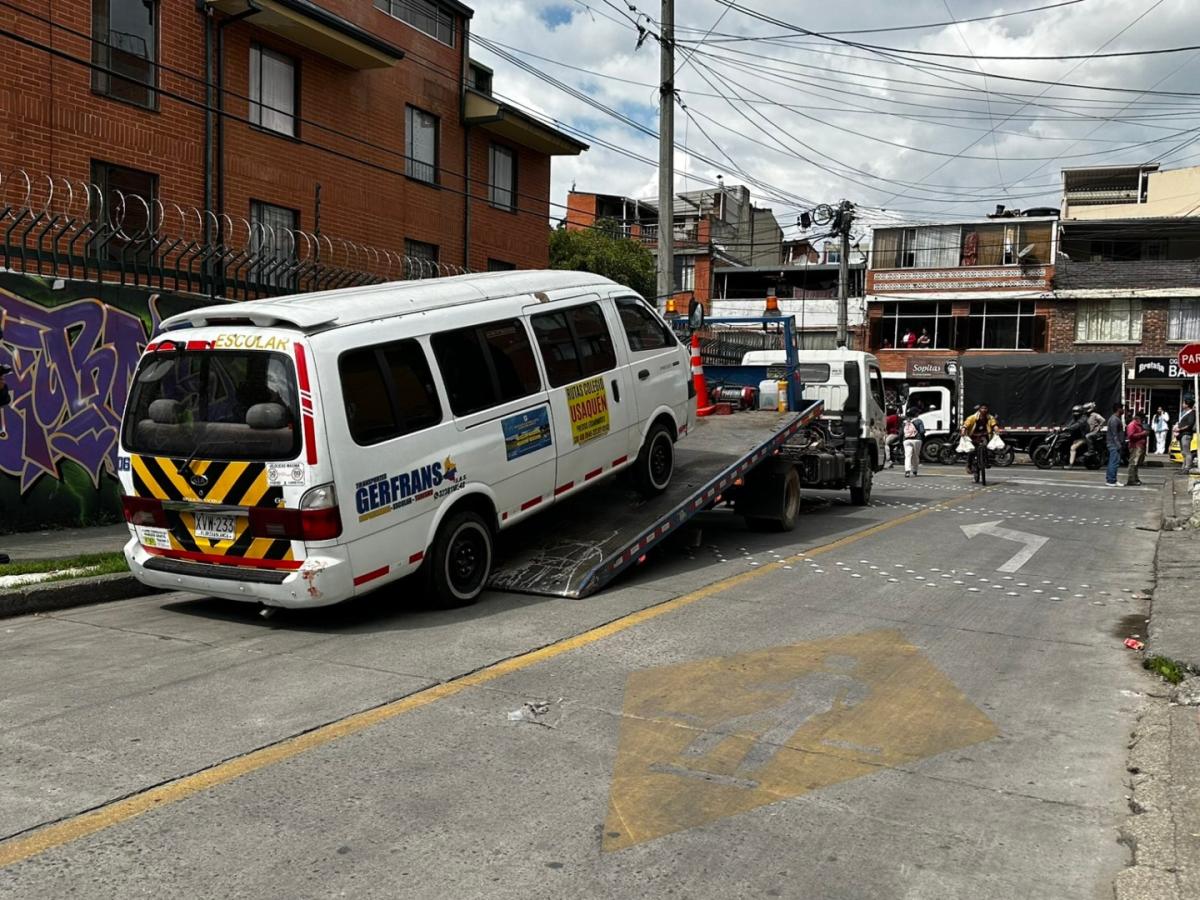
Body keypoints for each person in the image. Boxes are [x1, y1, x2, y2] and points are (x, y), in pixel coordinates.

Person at [961, 403, 998, 483]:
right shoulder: (972, 418)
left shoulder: (990, 417)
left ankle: (986, 462)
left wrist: (996, 429)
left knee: (987, 447)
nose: (984, 410)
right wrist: (963, 430)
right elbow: (965, 425)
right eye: (982, 408)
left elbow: (994, 425)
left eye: (985, 408)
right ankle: (969, 465)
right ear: (979, 409)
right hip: (973, 437)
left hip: (983, 436)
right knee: (971, 451)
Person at [1071, 402, 1105, 467]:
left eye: (1087, 409)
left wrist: (1099, 427)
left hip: (1095, 432)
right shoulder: (1085, 416)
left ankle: (1091, 451)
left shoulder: (1094, 414)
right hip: (1089, 432)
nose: (1085, 410)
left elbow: (1103, 420)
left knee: (1087, 436)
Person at [1105, 402, 1126, 486]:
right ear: (1118, 409)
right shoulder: (1114, 419)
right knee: (1114, 462)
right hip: (1114, 444)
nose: (1123, 410)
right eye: (1122, 408)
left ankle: (1112, 479)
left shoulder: (1116, 418)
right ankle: (1111, 480)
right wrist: (1119, 445)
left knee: (1113, 462)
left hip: (1114, 444)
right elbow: (1114, 434)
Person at [1126, 410, 1148, 486]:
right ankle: (1131, 479)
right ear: (1138, 418)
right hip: (1135, 446)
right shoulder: (1132, 425)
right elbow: (1131, 436)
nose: (1143, 420)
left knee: (1136, 464)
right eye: (1142, 418)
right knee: (1133, 463)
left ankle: (1135, 478)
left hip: (1140, 446)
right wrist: (1142, 433)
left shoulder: (1139, 425)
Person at [902, 408, 925, 478]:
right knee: (915, 456)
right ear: (916, 414)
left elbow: (901, 432)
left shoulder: (905, 422)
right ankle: (915, 471)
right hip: (917, 440)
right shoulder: (919, 421)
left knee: (907, 456)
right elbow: (921, 431)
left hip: (906, 440)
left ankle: (907, 471)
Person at [1176, 398, 1196, 472]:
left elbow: (1189, 424)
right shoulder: (1184, 413)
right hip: (1182, 434)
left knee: (1187, 452)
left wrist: (1180, 429)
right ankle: (1183, 467)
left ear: (1187, 405)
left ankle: (1187, 468)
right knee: (1183, 452)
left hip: (1186, 434)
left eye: (1184, 403)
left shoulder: (1191, 413)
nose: (1182, 404)